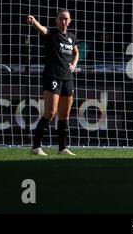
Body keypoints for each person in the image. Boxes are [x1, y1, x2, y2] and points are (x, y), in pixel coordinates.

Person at [27, 10, 79, 156]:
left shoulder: (71, 37)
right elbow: (42, 29)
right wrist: (34, 22)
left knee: (65, 114)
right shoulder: (52, 34)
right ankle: (36, 147)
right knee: (50, 112)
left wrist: (74, 64)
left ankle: (62, 148)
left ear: (70, 21)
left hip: (67, 79)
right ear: (57, 20)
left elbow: (76, 52)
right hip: (52, 77)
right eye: (61, 19)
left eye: (66, 19)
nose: (64, 21)